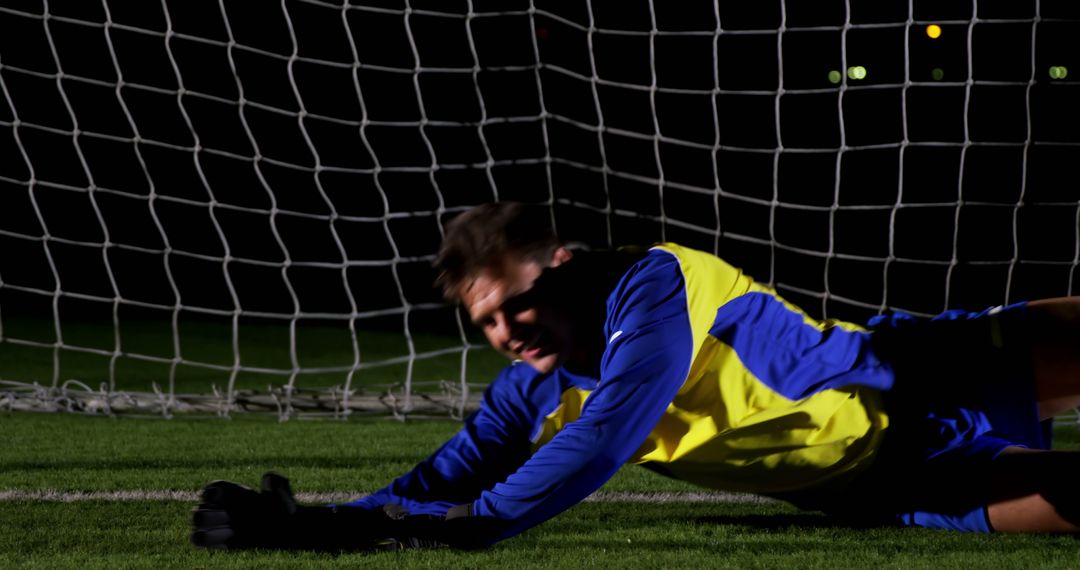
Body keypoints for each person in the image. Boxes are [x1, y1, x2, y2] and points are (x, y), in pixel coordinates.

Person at [190, 201, 1080, 551]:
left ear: (563, 266)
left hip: (908, 376)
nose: (504, 334)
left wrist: (476, 529)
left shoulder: (654, 285)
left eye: (514, 308)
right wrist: (325, 526)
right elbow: (447, 475)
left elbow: (608, 435)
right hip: (881, 480)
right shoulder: (532, 387)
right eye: (485, 323)